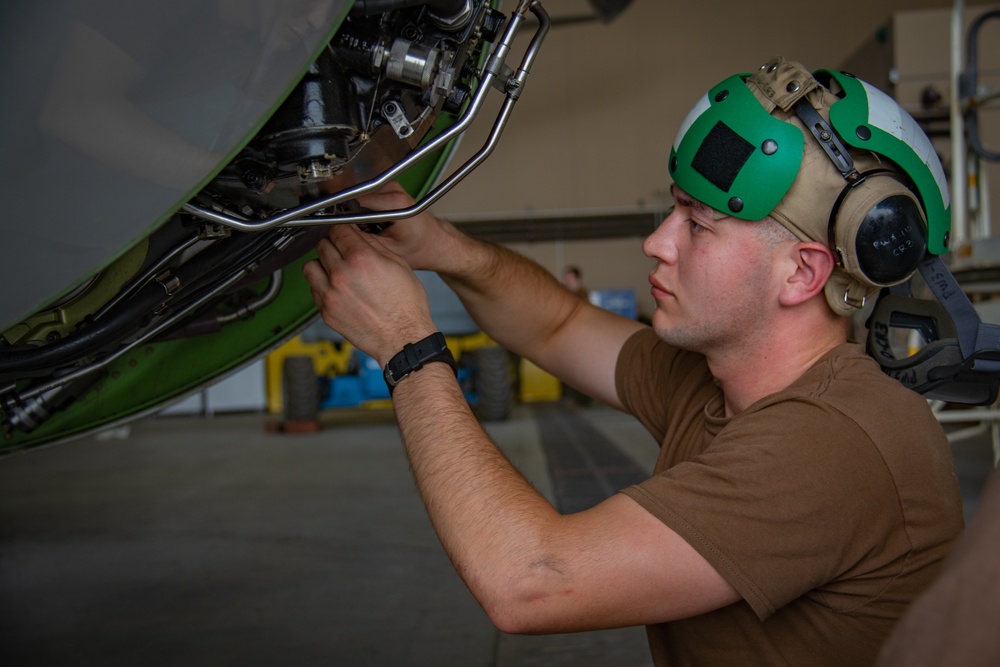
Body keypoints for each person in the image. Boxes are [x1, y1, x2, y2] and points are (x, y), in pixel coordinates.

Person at [303, 56, 964, 665]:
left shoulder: (830, 443)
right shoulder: (719, 381)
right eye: (670, 211)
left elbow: (531, 580)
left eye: (697, 224)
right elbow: (558, 324)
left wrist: (406, 343)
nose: (656, 242)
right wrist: (439, 244)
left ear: (803, 272)